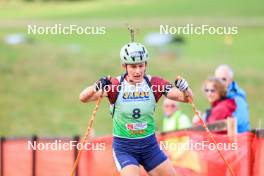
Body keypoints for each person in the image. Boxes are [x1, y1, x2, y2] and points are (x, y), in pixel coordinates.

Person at [79, 41, 193, 176]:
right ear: (124, 66)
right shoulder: (115, 85)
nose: (138, 71)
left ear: (146, 65)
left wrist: (186, 88)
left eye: (141, 65)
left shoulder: (154, 84)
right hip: (125, 148)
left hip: (150, 147)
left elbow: (187, 98)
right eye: (133, 66)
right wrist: (96, 86)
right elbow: (83, 98)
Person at [214, 64, 250, 133]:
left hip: (239, 140)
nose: (220, 83)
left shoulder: (238, 100)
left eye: (224, 79)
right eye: (217, 79)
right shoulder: (217, 97)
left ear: (230, 80)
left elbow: (238, 124)